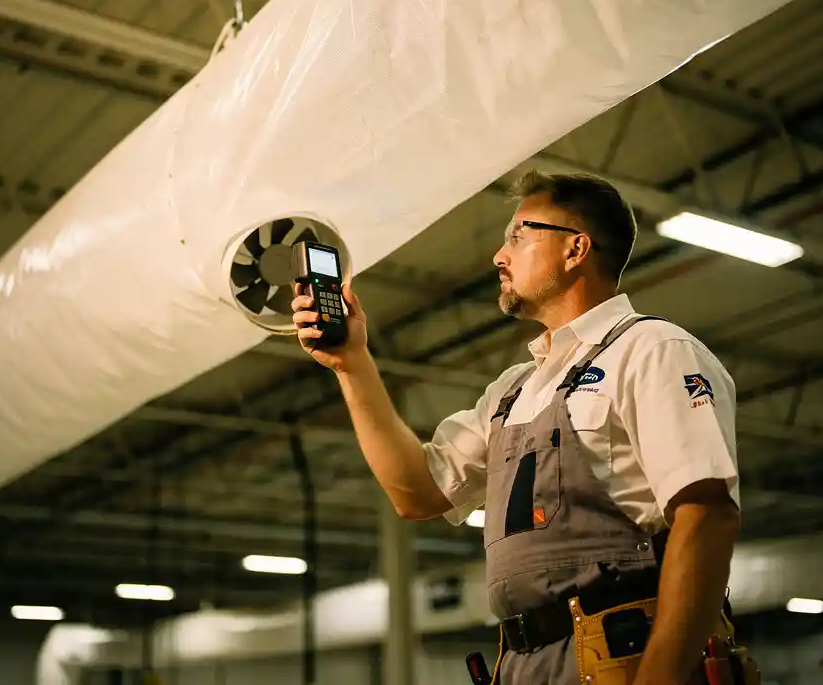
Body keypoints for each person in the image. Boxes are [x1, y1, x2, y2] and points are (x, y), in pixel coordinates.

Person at [292, 168, 745, 685]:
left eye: (518, 236)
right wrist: (353, 362)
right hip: (524, 663)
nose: (498, 256)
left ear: (576, 250)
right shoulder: (512, 390)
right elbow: (416, 491)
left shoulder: (653, 351)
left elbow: (706, 515)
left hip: (624, 658)